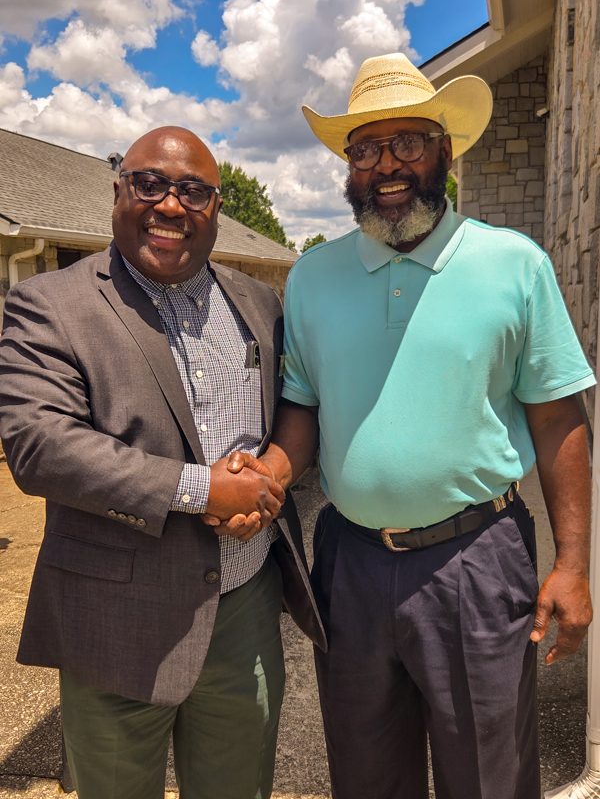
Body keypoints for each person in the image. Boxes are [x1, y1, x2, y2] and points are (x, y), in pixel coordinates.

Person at [207, 54, 595, 798]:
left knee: (489, 779)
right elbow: (302, 407)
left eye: (407, 143)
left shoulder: (514, 264)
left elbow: (558, 419)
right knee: (366, 778)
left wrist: (573, 565)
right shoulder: (314, 277)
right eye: (365, 149)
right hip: (349, 564)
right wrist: (270, 476)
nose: (385, 165)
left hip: (478, 559)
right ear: (349, 166)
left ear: (444, 150)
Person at [0, 126, 325, 799]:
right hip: (117, 618)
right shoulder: (50, 304)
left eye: (193, 191)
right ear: (118, 190)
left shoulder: (259, 303)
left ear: (217, 207)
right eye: (149, 184)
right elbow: (38, 443)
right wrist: (202, 489)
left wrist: (267, 482)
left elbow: (296, 411)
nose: (170, 205)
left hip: (244, 608)